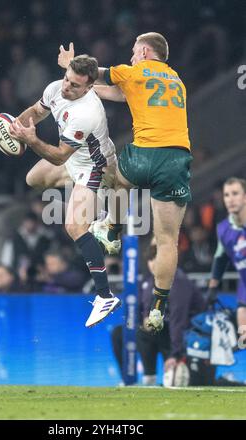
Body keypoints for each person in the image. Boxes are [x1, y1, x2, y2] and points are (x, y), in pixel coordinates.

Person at [58, 33, 192, 332]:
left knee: (116, 178)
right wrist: (92, 90)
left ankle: (112, 232)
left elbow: (91, 72)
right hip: (175, 159)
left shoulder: (135, 71)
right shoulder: (177, 80)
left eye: (134, 52)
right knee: (168, 239)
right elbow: (123, 94)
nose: (131, 57)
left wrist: (71, 65)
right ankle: (159, 307)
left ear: (145, 51)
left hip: (144, 154)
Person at [9, 54, 121, 327]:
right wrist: (15, 127)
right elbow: (35, 113)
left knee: (73, 226)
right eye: (66, 79)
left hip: (95, 166)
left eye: (74, 85)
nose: (66, 87)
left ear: (88, 87)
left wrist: (31, 139)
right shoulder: (55, 87)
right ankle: (95, 204)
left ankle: (105, 296)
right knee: (33, 179)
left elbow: (58, 156)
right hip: (74, 159)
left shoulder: (87, 113)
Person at [111, 238, 205, 385]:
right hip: (154, 332)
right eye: (151, 258)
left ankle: (152, 375)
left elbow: (178, 320)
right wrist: (142, 320)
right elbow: (138, 311)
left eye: (158, 258)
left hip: (181, 335)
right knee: (119, 333)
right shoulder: (147, 282)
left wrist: (176, 354)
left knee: (154, 330)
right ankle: (130, 378)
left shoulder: (178, 282)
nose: (154, 263)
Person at [207, 177, 246, 333]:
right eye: (226, 195)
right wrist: (212, 288)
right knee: (242, 327)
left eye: (235, 193)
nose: (230, 199)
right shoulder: (223, 229)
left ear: (245, 197)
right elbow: (220, 258)